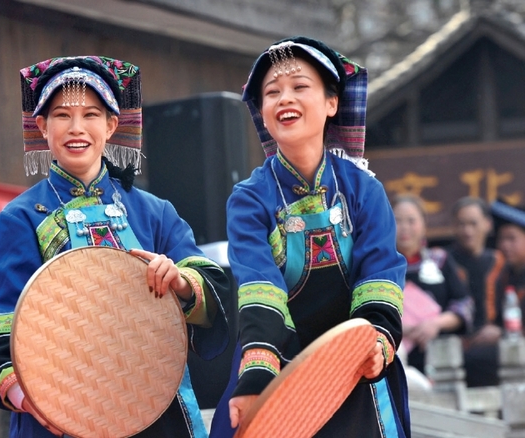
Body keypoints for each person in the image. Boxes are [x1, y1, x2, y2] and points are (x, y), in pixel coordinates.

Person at [0, 56, 230, 438]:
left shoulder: (153, 212)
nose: (76, 128)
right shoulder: (22, 218)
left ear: (112, 125)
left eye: (91, 115)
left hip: (155, 409)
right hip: (63, 411)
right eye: (62, 116)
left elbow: (212, 284)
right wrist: (32, 400)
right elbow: (2, 323)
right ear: (42, 127)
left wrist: (180, 281)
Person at [210, 36, 410, 437]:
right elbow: (260, 286)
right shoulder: (249, 198)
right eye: (272, 92)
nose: (285, 98)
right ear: (262, 112)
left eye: (300, 87)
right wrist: (258, 379)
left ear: (331, 104)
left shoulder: (363, 190)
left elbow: (380, 271)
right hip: (278, 363)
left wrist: (375, 343)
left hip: (357, 366)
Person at [393, 194, 473, 374]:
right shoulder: (381, 266)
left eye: (411, 221)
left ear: (423, 224)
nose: (404, 228)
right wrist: (395, 326)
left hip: (440, 357)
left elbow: (464, 304)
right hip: (395, 355)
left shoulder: (440, 260)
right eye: (397, 221)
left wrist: (435, 324)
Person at [449, 197, 504, 387]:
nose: (467, 231)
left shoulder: (500, 262)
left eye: (473, 223)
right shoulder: (445, 262)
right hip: (457, 345)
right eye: (461, 224)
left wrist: (500, 329)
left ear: (488, 225)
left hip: (495, 343)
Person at [490, 199, 525, 332]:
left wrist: (501, 334)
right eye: (501, 239)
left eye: (511, 239)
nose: (505, 245)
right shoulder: (504, 276)